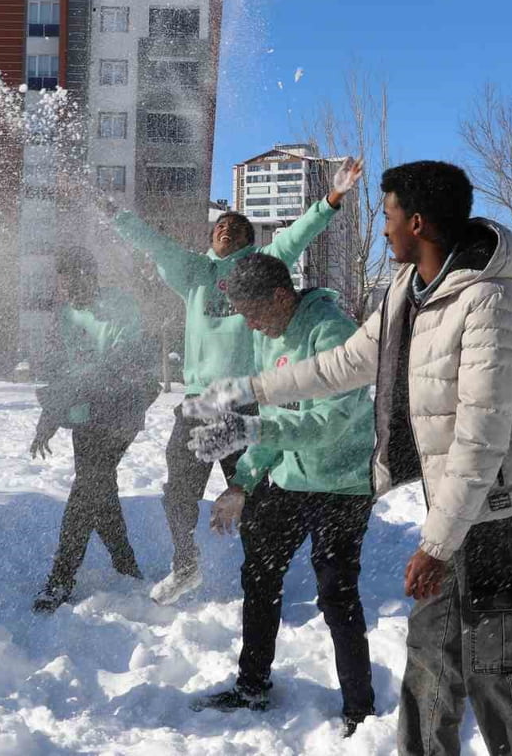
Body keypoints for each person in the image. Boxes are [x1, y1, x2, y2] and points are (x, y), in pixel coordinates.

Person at [186, 161, 512, 755]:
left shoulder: (490, 303)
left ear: (417, 222)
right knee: (432, 654)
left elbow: (481, 438)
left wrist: (437, 545)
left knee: (496, 665)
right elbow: (345, 365)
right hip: (454, 496)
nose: (383, 229)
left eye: (388, 215)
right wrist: (249, 390)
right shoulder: (406, 292)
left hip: (501, 505)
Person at [100, 156, 363, 605]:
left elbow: (297, 234)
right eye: (220, 225)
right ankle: (185, 564)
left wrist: (333, 197)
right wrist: (114, 214)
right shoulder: (194, 273)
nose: (226, 229)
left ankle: (261, 573)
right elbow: (154, 244)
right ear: (210, 238)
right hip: (200, 402)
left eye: (236, 227)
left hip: (247, 401)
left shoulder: (261, 265)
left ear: (248, 240)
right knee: (178, 491)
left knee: (251, 493)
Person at [182, 253, 377, 738]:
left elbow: (327, 425)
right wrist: (242, 482)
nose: (250, 325)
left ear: (280, 295)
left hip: (342, 486)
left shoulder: (333, 334)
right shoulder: (267, 335)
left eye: (253, 313)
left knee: (336, 593)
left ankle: (360, 708)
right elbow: (278, 419)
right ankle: (251, 685)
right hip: (289, 479)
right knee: (259, 575)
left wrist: (250, 428)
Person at [29, 247, 161, 613]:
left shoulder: (121, 308)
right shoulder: (65, 316)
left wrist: (66, 397)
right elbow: (60, 371)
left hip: (121, 410)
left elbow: (118, 366)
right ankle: (126, 566)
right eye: (63, 283)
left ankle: (60, 578)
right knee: (99, 489)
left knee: (86, 488)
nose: (69, 290)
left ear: (91, 277)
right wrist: (49, 416)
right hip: (84, 412)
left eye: (75, 282)